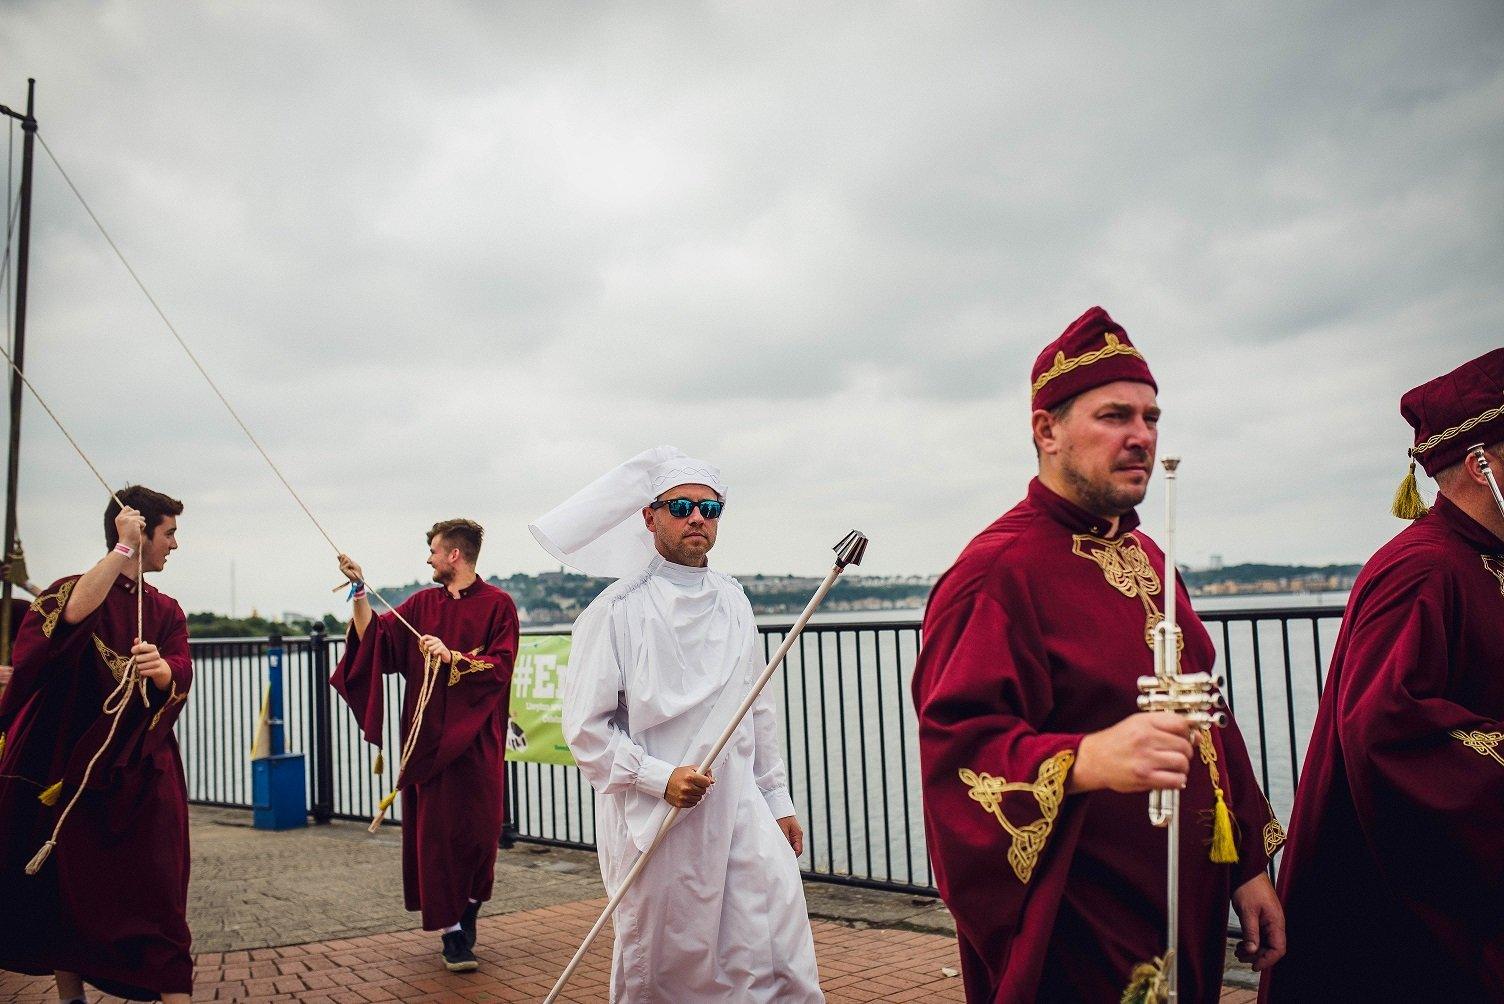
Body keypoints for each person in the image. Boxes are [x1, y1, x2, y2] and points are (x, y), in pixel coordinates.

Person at [912, 308, 1286, 1002]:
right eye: (1115, 416)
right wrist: (1084, 761)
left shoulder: (1147, 555)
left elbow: (1205, 718)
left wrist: (1244, 866)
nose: (1140, 436)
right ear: (1046, 431)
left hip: (1183, 897)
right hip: (1080, 916)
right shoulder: (996, 575)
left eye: (1150, 417)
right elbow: (958, 750)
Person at [535, 446, 821, 1003]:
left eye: (710, 509)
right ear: (649, 517)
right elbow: (586, 730)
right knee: (668, 959)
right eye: (683, 506)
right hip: (658, 818)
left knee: (771, 940)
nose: (698, 518)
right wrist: (656, 777)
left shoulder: (736, 600)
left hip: (741, 808)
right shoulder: (614, 611)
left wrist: (777, 798)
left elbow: (755, 706)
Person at [1262, 349, 1504, 998]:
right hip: (1401, 899)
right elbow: (1386, 726)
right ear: (1483, 465)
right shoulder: (1421, 569)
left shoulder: (1486, 558)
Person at [0, 486, 193, 1004]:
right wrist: (121, 551)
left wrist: (161, 672)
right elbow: (65, 620)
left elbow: (182, 668)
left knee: (161, 908)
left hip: (141, 776)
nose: (175, 544)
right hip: (69, 773)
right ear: (138, 531)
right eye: (169, 533)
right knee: (65, 894)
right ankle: (72, 999)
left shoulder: (167, 609)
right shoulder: (76, 588)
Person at [331, 518, 518, 973]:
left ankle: (470, 904)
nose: (429, 559)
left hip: (477, 741)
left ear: (454, 555)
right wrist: (359, 590)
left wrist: (454, 657)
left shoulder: (499, 606)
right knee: (436, 837)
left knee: (480, 833)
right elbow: (374, 637)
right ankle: (452, 932)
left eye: (433, 551)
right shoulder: (420, 605)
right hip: (426, 742)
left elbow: (500, 665)